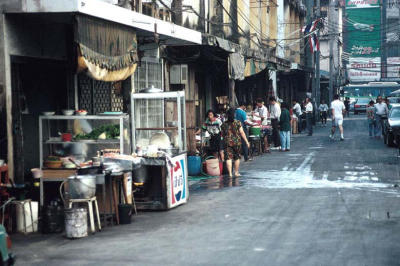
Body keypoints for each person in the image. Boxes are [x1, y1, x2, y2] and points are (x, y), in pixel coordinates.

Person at [222, 108, 250, 177]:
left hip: (227, 142)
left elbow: (222, 134)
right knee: (237, 157)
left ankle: (230, 174)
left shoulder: (224, 124)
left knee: (228, 158)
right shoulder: (238, 122)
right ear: (234, 115)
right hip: (237, 142)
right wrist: (246, 141)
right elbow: (242, 132)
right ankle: (236, 172)